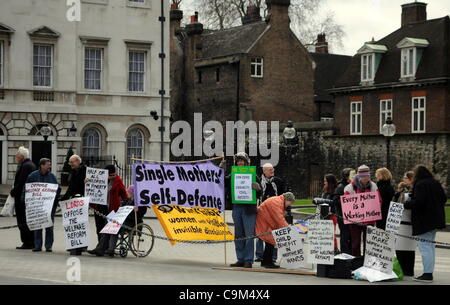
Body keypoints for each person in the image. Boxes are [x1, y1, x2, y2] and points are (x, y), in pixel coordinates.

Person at [404, 165, 447, 283]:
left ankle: (427, 274)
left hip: (424, 220)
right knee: (430, 247)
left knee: (425, 247)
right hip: (435, 219)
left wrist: (406, 204)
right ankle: (429, 272)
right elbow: (443, 198)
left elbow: (419, 202)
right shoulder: (435, 183)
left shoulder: (420, 184)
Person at [226, 152, 261, 269]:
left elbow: (260, 192)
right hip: (237, 207)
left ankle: (248, 260)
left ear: (247, 162)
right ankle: (240, 259)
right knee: (238, 234)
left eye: (242, 161)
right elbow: (223, 182)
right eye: (238, 161)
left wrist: (258, 189)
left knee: (249, 234)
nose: (240, 163)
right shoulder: (232, 175)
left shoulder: (253, 175)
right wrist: (221, 169)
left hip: (249, 209)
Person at [88, 165, 129, 257]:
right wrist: (87, 182)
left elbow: (124, 194)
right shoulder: (103, 180)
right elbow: (93, 186)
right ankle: (102, 249)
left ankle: (106, 249)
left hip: (113, 209)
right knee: (103, 229)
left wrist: (125, 205)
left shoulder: (118, 181)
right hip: (102, 207)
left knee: (110, 229)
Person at [24, 158, 61, 252]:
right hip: (37, 205)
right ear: (42, 165)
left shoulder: (52, 176)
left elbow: (58, 188)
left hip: (49, 206)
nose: (50, 166)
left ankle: (48, 246)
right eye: (48, 164)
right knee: (38, 225)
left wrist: (56, 197)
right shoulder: (32, 176)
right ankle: (37, 245)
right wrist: (24, 200)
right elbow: (27, 189)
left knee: (49, 226)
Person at [344, 165, 380, 257]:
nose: (366, 179)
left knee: (368, 243)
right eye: (364, 176)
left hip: (369, 219)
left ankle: (366, 262)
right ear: (359, 176)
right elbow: (347, 204)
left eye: (367, 176)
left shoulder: (373, 186)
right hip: (355, 221)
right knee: (355, 243)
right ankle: (356, 262)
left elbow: (378, 201)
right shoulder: (349, 188)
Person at [255, 192, 295, 268]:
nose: (290, 205)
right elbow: (279, 218)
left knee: (270, 242)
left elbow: (278, 216)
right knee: (271, 241)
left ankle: (266, 261)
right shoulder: (277, 202)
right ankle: (267, 262)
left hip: (265, 221)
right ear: (288, 200)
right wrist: (288, 229)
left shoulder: (278, 201)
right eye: (290, 203)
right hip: (264, 222)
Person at [255, 163, 285, 263]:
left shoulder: (278, 181)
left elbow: (282, 196)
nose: (272, 171)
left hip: (274, 212)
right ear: (264, 171)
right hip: (261, 211)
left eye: (272, 169)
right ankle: (259, 255)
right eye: (269, 170)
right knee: (260, 233)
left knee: (274, 233)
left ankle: (273, 256)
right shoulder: (259, 181)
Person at [10, 147, 36, 250]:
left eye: (17, 154)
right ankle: (31, 241)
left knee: (22, 220)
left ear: (22, 156)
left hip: (22, 198)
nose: (16, 156)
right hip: (27, 197)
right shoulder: (30, 164)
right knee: (27, 219)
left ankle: (27, 242)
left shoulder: (25, 166)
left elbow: (21, 182)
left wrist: (13, 191)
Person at [61, 154, 87, 256]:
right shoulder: (73, 171)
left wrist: (86, 182)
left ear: (78, 161)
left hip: (81, 200)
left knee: (81, 224)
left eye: (72, 162)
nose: (70, 164)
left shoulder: (85, 170)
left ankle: (81, 246)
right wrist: (64, 198)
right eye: (70, 162)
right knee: (73, 224)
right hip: (73, 201)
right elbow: (71, 187)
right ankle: (74, 245)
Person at [393, 171, 416, 277]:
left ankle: (409, 269)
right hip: (400, 222)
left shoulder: (415, 191)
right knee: (400, 248)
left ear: (411, 179)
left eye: (406, 178)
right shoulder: (400, 192)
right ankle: (402, 268)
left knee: (410, 248)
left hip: (410, 222)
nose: (404, 179)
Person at [315, 174, 339, 253]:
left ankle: (334, 249)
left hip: (331, 214)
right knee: (324, 234)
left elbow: (334, 202)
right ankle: (326, 249)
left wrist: (322, 201)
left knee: (331, 234)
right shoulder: (325, 190)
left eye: (326, 181)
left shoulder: (335, 190)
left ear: (330, 181)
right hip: (323, 214)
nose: (324, 182)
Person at [333, 168, 353, 255]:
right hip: (343, 216)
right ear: (346, 176)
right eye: (353, 174)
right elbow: (336, 201)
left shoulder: (352, 186)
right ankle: (344, 254)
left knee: (350, 237)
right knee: (345, 236)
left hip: (350, 216)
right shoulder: (341, 187)